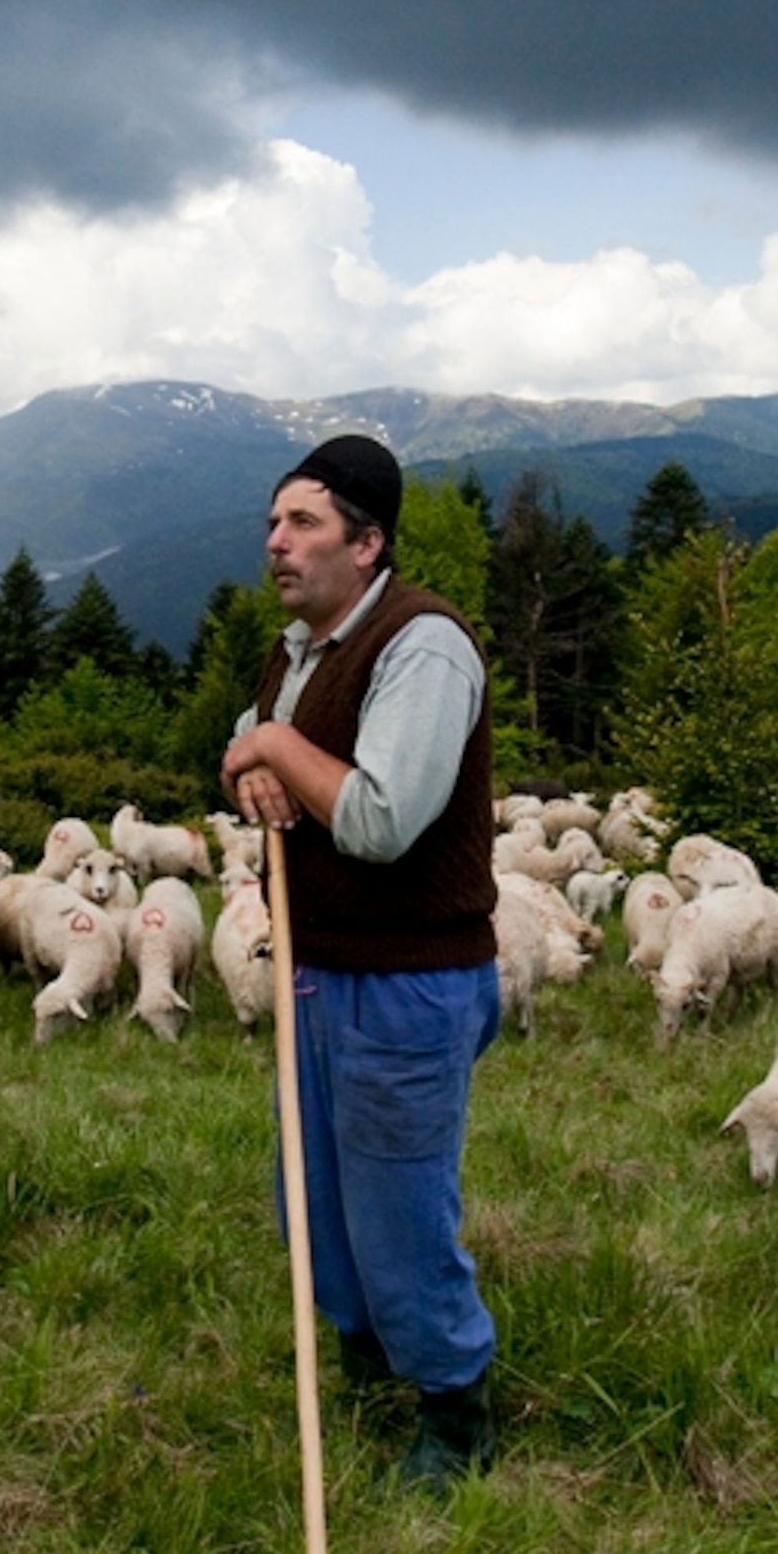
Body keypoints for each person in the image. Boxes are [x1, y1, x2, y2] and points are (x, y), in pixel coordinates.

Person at [220, 432, 502, 1491]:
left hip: (406, 976)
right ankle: (368, 1356)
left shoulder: (422, 645)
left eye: (303, 524)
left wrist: (272, 749)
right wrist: (252, 753)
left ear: (368, 542)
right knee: (318, 1192)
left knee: (395, 1200)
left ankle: (453, 1409)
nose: (276, 544)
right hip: (317, 960)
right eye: (273, 522)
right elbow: (255, 742)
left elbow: (380, 817)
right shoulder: (299, 651)